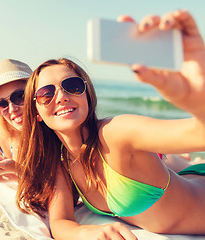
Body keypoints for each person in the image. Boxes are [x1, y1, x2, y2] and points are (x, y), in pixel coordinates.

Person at [16, 10, 205, 239]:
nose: (62, 96)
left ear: (87, 95)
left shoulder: (116, 132)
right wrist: (88, 233)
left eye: (73, 86)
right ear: (36, 112)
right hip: (188, 178)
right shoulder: (62, 160)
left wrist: (198, 102)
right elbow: (60, 222)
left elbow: (199, 134)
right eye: (46, 93)